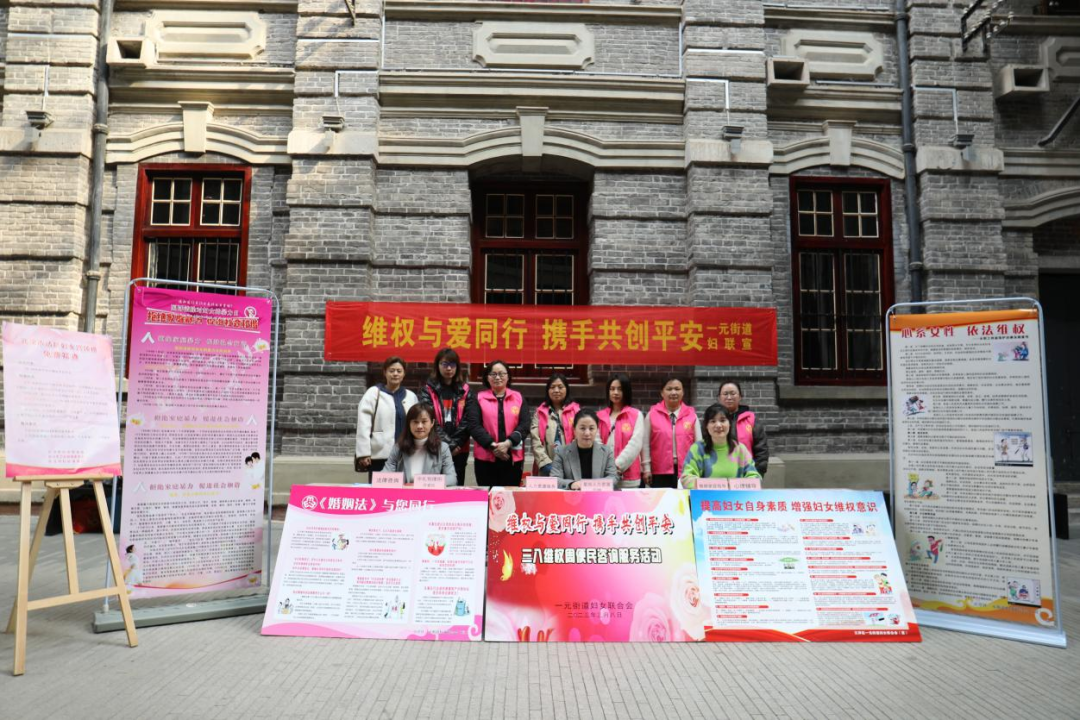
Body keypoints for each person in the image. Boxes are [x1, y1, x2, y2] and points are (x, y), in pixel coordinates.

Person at [465, 359, 530, 487]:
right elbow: (474, 426)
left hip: (512, 457)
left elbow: (525, 425)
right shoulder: (478, 398)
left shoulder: (518, 398)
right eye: (493, 374)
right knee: (488, 495)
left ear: (508, 376)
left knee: (510, 495)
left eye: (501, 374)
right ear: (487, 377)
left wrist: (507, 443)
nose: (497, 377)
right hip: (485, 458)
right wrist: (493, 446)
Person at [356, 356, 418, 475]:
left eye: (399, 371)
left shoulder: (411, 396)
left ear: (404, 373)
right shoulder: (373, 393)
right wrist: (363, 453)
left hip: (406, 455)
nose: (395, 374)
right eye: (391, 370)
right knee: (380, 486)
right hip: (380, 454)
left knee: (405, 486)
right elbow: (363, 425)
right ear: (385, 372)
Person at [679, 404, 761, 489]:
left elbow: (754, 477)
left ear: (729, 423)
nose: (718, 425)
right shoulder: (697, 449)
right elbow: (687, 478)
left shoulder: (740, 449)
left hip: (735, 497)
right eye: (713, 421)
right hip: (705, 496)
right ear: (706, 426)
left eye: (722, 420)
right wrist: (714, 486)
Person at [420, 348, 471, 484]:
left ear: (457, 367)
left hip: (460, 449)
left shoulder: (465, 390)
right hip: (435, 445)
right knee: (433, 485)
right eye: (444, 364)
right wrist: (449, 445)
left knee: (457, 484)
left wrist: (456, 444)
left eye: (452, 364)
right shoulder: (428, 390)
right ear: (437, 366)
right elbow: (429, 419)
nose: (449, 368)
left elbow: (469, 419)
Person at [642, 375, 701, 488]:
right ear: (662, 393)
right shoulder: (652, 415)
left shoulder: (692, 415)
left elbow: (698, 444)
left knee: (685, 499)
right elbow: (645, 445)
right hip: (659, 471)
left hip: (687, 470)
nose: (673, 392)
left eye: (677, 389)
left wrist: (698, 467)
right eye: (669, 389)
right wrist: (646, 469)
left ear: (683, 392)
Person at [383, 403, 457, 486]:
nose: (419, 426)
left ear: (432, 423)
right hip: (404, 493)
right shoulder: (399, 447)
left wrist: (423, 484)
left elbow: (451, 478)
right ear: (409, 424)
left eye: (424, 421)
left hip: (429, 493)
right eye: (415, 422)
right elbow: (385, 475)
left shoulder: (442, 448)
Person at [596, 373, 645, 489]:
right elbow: (596, 442)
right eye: (612, 389)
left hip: (629, 478)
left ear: (626, 391)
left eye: (620, 389)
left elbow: (635, 445)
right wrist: (607, 467)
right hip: (603, 475)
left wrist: (616, 466)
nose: (615, 392)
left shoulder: (636, 415)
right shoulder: (599, 416)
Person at [530, 373, 580, 476]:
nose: (556, 390)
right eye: (552, 387)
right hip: (545, 468)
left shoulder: (575, 411)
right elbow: (535, 439)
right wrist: (545, 463)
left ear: (567, 389)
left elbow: (579, 438)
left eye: (560, 387)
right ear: (547, 390)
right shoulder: (540, 412)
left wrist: (568, 464)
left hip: (571, 467)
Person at [552, 409, 617, 490]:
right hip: (571, 496)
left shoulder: (607, 452)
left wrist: (592, 485)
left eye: (591, 428)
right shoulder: (561, 452)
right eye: (582, 428)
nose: (587, 433)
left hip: (597, 496)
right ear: (574, 430)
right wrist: (571, 484)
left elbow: (613, 477)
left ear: (597, 430)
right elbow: (554, 479)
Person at [717, 380, 769, 476]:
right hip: (717, 475)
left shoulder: (751, 420)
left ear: (740, 396)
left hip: (746, 474)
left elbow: (761, 450)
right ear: (719, 397)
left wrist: (757, 474)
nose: (729, 397)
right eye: (725, 394)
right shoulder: (712, 420)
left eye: (733, 393)